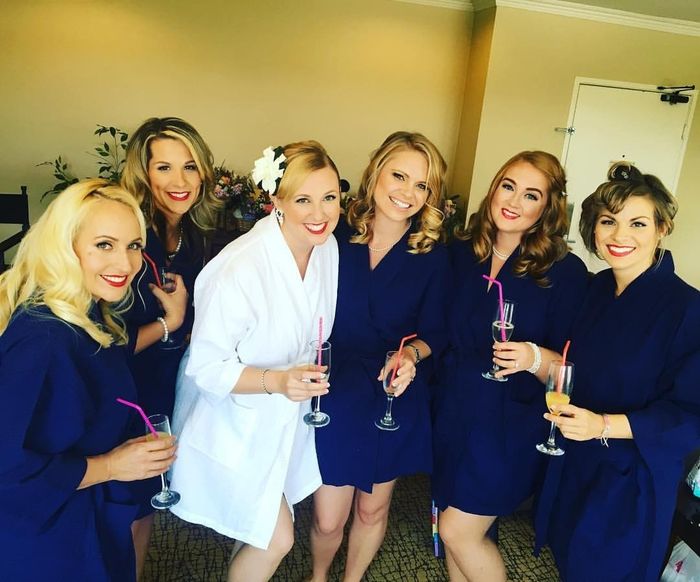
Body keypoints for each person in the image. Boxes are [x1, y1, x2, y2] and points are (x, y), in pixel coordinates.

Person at [169, 141, 341, 582]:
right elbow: (206, 367)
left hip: (287, 418)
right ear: (276, 200)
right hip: (233, 420)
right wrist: (278, 381)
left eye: (329, 197)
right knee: (276, 537)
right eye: (303, 199)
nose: (319, 213)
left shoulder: (328, 249)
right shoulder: (239, 268)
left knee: (257, 530)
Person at [0, 179, 177, 581]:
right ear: (66, 246)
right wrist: (110, 466)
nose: (125, 264)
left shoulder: (87, 314)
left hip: (82, 522)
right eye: (104, 245)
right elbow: (5, 468)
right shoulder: (43, 338)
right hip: (46, 543)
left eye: (133, 245)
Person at [535, 163, 700, 582]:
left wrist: (603, 425)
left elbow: (690, 416)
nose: (619, 235)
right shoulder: (594, 290)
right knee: (569, 560)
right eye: (608, 221)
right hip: (577, 460)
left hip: (633, 478)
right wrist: (534, 360)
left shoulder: (688, 309)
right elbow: (569, 363)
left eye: (638, 223)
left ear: (662, 228)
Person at [431, 151, 589, 582]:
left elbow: (570, 367)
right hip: (453, 410)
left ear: (548, 208)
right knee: (454, 527)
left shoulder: (565, 272)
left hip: (511, 424)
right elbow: (437, 329)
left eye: (531, 195)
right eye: (508, 186)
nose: (514, 201)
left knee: (458, 530)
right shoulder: (461, 252)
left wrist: (531, 357)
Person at [309, 131, 451, 582]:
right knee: (328, 517)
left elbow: (436, 333)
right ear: (375, 174)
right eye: (399, 176)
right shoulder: (333, 234)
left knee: (371, 509)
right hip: (334, 388)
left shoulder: (433, 256)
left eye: (422, 185)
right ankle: (318, 576)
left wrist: (411, 354)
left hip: (393, 389)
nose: (407, 192)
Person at [121, 116, 221, 574]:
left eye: (189, 167)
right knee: (121, 507)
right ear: (143, 173)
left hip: (166, 384)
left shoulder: (196, 236)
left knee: (145, 502)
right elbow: (98, 341)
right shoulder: (129, 236)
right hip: (122, 388)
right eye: (164, 167)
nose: (179, 181)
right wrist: (171, 322)